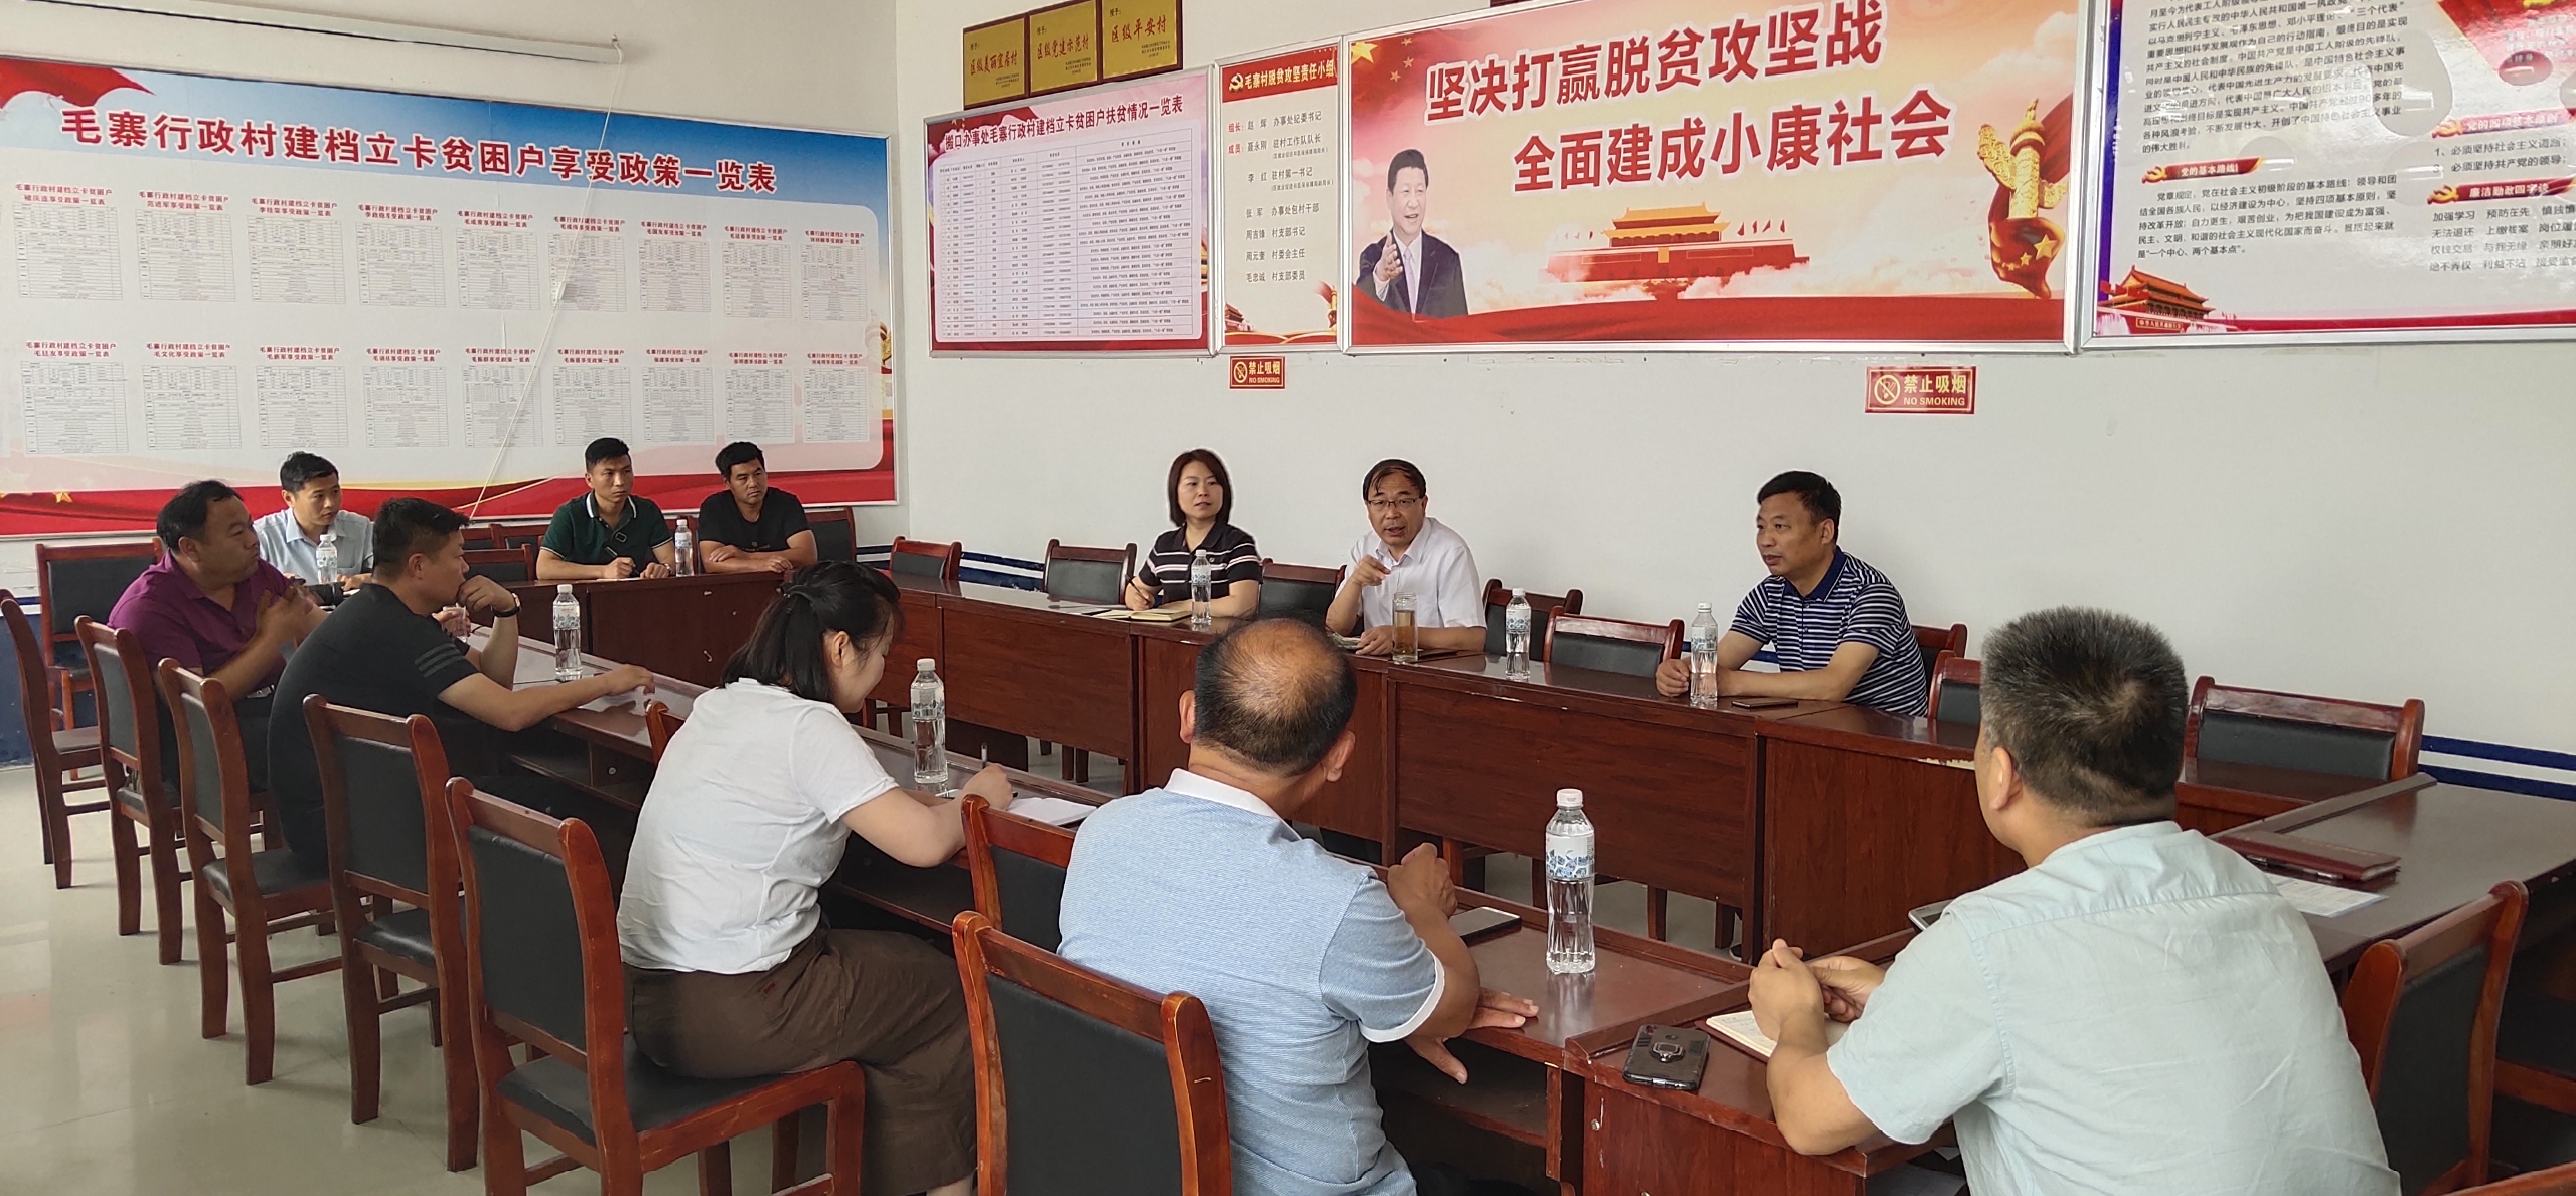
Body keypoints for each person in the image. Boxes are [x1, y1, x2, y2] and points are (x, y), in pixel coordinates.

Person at [1747, 607, 2396, 1195]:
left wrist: (1797, 1015)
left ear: (2002, 775)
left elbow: (1808, 1119)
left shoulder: (1986, 940)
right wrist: (1905, 999)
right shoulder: (2252, 889)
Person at [1059, 618, 1536, 1196]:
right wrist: (1418, 905)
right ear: (1338, 757)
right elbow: (1455, 1010)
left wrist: (1389, 1001)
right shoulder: (1338, 901)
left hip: (1127, 1171)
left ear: (1188, 714)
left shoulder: (1103, 831)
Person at [621, 562, 1008, 1196]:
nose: (881, 671)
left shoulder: (723, 703)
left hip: (650, 1001)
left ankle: (881, 1165)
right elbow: (924, 845)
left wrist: (925, 804)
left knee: (892, 973)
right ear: (840, 647)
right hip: (734, 1007)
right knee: (944, 992)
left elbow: (852, 801)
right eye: (881, 653)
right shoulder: (809, 726)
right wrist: (982, 795)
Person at [268, 497, 650, 870]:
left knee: (530, 782)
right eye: (457, 556)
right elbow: (510, 712)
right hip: (344, 827)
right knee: (582, 812)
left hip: (342, 813)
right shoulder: (394, 629)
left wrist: (506, 609)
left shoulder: (383, 609)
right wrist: (608, 682)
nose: (465, 568)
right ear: (419, 566)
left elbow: (492, 678)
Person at [1654, 471, 1928, 716]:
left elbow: (1834, 685)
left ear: (1825, 532)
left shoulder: (1871, 593)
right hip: (1811, 731)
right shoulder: (1770, 593)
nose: (1766, 540)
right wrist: (1681, 672)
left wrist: (1734, 683)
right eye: (1761, 527)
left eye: (1780, 527)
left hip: (1889, 744)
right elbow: (1720, 661)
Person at [110, 480, 326, 788]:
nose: (253, 541)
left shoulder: (254, 574)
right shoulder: (150, 607)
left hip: (263, 712)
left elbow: (321, 628)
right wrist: (271, 640)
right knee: (326, 752)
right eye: (237, 534)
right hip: (196, 743)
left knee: (354, 724)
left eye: (250, 527)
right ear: (191, 548)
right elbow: (196, 703)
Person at [1325, 459, 1483, 657]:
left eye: (1403, 502)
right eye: (1380, 503)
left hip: (1431, 666)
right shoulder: (1365, 546)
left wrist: (1401, 635)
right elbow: (1334, 629)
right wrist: (1355, 582)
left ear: (1423, 505)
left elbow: (1473, 639)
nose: (1392, 514)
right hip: (1377, 666)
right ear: (1368, 508)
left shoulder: (1450, 552)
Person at [1124, 447, 1262, 617]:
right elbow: (1135, 588)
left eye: (1212, 483)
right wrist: (1137, 600)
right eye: (1192, 484)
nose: (1203, 492)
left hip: (1220, 633)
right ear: (1175, 493)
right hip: (1168, 633)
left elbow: (1243, 606)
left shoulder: (1238, 544)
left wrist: (1181, 607)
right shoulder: (1165, 545)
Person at [538, 437, 675, 581]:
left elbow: (671, 558)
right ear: (590, 480)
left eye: (626, 471)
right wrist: (603, 571)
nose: (620, 482)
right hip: (583, 592)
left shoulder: (647, 510)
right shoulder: (570, 514)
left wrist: (664, 568)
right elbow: (544, 568)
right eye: (609, 474)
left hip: (633, 591)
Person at [1354, 150, 1468, 319]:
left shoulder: (1448, 260)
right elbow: (1360, 311)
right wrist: (1381, 276)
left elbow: (1462, 328)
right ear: (1390, 198)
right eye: (1406, 192)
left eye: (1420, 191)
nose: (1414, 203)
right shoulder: (1373, 256)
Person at [252, 452, 372, 590]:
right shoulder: (262, 537)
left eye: (335, 492)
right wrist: (277, 585)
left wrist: (365, 579)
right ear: (289, 498)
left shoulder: (361, 528)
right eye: (319, 496)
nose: (330, 503)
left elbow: (390, 576)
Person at [696, 441, 816, 575]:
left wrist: (746, 556)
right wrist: (760, 565)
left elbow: (808, 556)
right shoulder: (714, 507)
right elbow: (711, 563)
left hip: (782, 583)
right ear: (728, 483)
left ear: (766, 474)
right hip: (734, 585)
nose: (753, 483)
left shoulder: (786, 503)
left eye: (758, 474)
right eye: (743, 478)